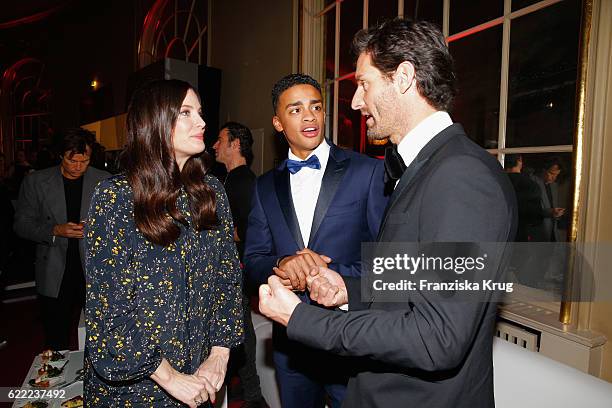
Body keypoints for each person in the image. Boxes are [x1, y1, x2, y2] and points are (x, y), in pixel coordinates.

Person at [257, 19, 517, 408]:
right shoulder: (427, 167)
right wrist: (350, 289)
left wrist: (301, 319)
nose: (356, 102)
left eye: (364, 84)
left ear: (404, 78)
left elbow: (437, 336)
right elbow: (416, 282)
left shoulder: (461, 176)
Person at [83, 79, 244, 407]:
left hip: (199, 378)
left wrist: (220, 352)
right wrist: (169, 376)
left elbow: (227, 282)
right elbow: (108, 312)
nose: (201, 122)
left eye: (199, 112)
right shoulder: (116, 198)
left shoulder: (211, 193)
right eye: (186, 112)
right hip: (135, 387)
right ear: (153, 122)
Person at [244, 73, 387, 408]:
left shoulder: (366, 171)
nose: (309, 116)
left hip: (351, 335)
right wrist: (282, 264)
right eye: (295, 110)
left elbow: (387, 259)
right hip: (292, 344)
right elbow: (252, 262)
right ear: (277, 123)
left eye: (316, 107)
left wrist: (333, 273)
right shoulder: (265, 186)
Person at [13, 128, 110, 350]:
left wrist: (98, 228)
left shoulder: (103, 180)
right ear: (60, 156)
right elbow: (21, 225)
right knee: (56, 336)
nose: (78, 167)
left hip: (94, 269)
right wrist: (55, 230)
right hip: (55, 269)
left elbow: (120, 224)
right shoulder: (37, 182)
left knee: (103, 336)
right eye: (72, 160)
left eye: (84, 161)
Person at [213, 122, 267, 407]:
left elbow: (248, 232)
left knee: (240, 331)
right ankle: (246, 390)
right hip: (233, 272)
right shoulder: (230, 180)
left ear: (235, 145)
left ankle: (252, 394)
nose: (214, 145)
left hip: (239, 273)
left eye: (220, 140)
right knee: (236, 330)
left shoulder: (243, 181)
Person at [504, 154, 543, 242]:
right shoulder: (531, 185)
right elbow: (536, 217)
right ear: (520, 161)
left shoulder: (497, 182)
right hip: (522, 232)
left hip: (500, 231)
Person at [529, 157, 566, 242]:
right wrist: (550, 212)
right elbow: (530, 210)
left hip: (552, 234)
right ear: (543, 170)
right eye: (552, 174)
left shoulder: (554, 186)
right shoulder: (532, 182)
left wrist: (557, 213)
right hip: (537, 234)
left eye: (557, 174)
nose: (554, 177)